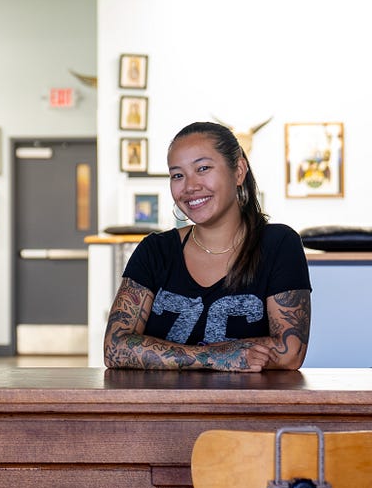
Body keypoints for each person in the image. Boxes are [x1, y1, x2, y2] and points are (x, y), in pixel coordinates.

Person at [104, 121, 310, 371]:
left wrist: (165, 355)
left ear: (239, 171)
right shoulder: (155, 250)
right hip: (160, 397)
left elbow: (290, 352)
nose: (190, 186)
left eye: (203, 168)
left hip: (247, 398)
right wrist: (213, 357)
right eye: (177, 175)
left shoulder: (279, 244)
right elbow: (115, 348)